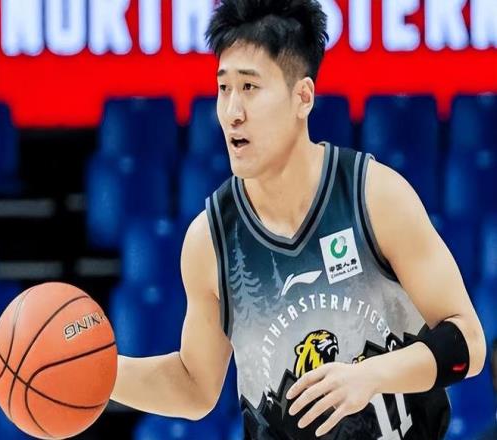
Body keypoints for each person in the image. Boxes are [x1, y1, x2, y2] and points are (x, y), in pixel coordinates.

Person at [110, 1, 487, 438]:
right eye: (223, 88)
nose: (232, 111)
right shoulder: (209, 240)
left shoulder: (374, 196)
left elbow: (469, 343)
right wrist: (95, 371)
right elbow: (195, 387)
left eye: (249, 87)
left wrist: (371, 375)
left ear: (302, 97)